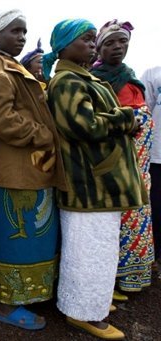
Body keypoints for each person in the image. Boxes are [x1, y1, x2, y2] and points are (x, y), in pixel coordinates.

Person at [43, 18, 147, 340]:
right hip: (89, 184)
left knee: (100, 250)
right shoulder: (66, 82)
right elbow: (82, 125)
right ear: (64, 46)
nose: (92, 45)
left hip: (100, 184)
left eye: (92, 40)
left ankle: (93, 304)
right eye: (86, 40)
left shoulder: (81, 77)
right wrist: (126, 119)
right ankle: (85, 314)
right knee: (88, 251)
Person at [0, 9, 65, 331]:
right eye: (15, 31)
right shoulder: (0, 71)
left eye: (24, 32)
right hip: (17, 171)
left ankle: (25, 295)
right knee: (18, 237)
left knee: (31, 236)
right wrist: (41, 134)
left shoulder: (9, 68)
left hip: (29, 169)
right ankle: (7, 304)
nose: (22, 38)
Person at [91, 19, 154, 297]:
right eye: (110, 43)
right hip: (110, 162)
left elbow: (142, 118)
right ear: (98, 48)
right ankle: (108, 278)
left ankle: (133, 275)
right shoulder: (93, 80)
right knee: (111, 219)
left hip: (138, 164)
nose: (118, 47)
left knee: (137, 212)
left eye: (122, 42)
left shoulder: (131, 78)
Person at [141, 66, 161, 275]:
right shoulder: (153, 74)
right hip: (157, 156)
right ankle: (154, 257)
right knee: (156, 207)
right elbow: (143, 112)